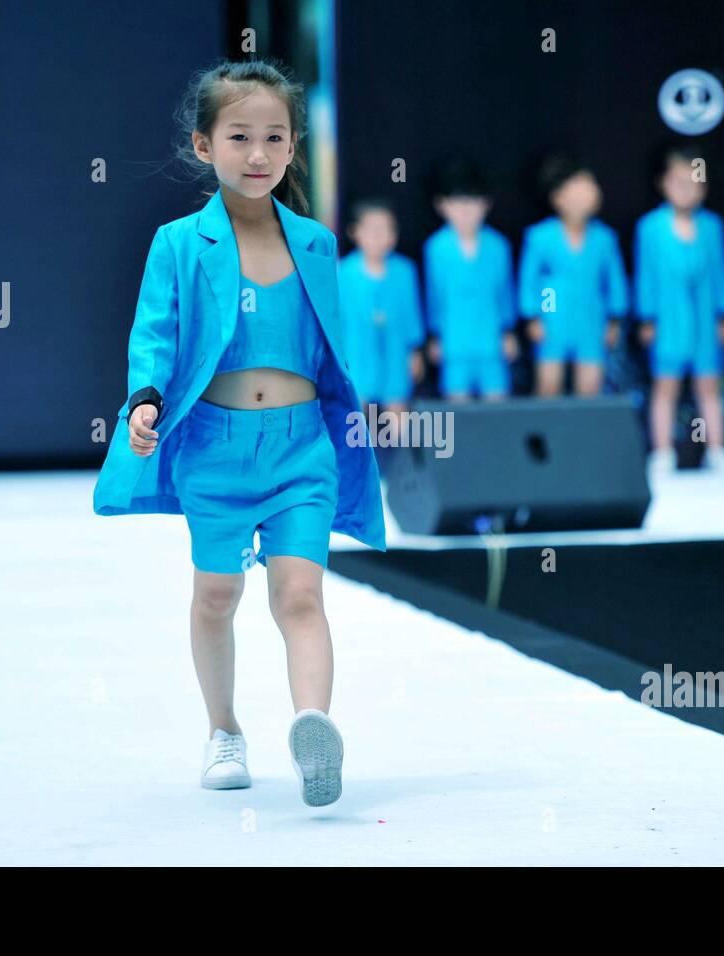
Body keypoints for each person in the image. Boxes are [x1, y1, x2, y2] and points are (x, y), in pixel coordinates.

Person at [91, 58, 387, 807]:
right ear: (203, 145)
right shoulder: (180, 244)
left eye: (274, 138)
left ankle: (313, 727)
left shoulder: (316, 243)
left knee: (299, 595)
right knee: (217, 594)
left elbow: (332, 348)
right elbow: (153, 334)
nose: (257, 155)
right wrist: (147, 401)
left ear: (293, 148)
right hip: (215, 447)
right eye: (240, 136)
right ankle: (223, 729)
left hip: (300, 448)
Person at [635, 143, 724, 477]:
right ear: (663, 184)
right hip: (668, 320)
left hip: (704, 319)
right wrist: (647, 316)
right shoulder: (650, 228)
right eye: (677, 181)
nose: (685, 190)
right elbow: (645, 274)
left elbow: (721, 272)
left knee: (709, 386)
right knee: (665, 387)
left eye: (693, 182)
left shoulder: (712, 227)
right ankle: (663, 452)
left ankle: (716, 448)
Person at [518, 152, 629, 397]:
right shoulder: (540, 236)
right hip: (554, 312)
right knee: (548, 383)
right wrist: (536, 316)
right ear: (557, 197)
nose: (585, 196)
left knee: (589, 386)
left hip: (591, 316)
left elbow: (615, 281)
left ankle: (584, 434)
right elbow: (532, 280)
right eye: (576, 190)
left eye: (589, 188)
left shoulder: (604, 238)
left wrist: (614, 318)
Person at [337, 197, 426, 471]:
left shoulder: (404, 271)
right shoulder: (343, 272)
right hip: (358, 351)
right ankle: (353, 471)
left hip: (395, 352)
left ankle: (404, 472)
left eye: (386, 229)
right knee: (355, 411)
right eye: (372, 229)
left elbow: (412, 313)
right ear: (356, 232)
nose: (379, 237)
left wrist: (415, 350)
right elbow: (336, 319)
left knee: (397, 410)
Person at [421, 160, 518, 401]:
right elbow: (433, 296)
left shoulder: (498, 246)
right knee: (457, 408)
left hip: (491, 339)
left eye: (473, 202)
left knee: (497, 404)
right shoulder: (436, 248)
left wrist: (508, 331)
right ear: (442, 206)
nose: (466, 211)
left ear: (486, 204)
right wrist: (434, 335)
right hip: (454, 341)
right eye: (457, 203)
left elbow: (505, 293)